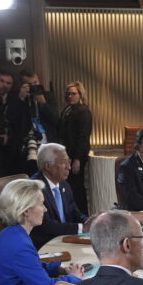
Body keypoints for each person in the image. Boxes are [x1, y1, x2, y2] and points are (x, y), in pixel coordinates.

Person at [29, 143, 89, 250]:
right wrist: (82, 227)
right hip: (45, 246)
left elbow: (75, 213)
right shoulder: (34, 188)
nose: (69, 167)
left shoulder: (64, 185)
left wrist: (90, 222)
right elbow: (45, 225)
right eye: (63, 162)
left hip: (66, 240)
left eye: (68, 162)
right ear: (48, 166)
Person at [59, 80, 92, 214]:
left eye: (73, 94)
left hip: (76, 155)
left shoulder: (83, 111)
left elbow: (83, 137)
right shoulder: (68, 109)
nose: (70, 96)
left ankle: (82, 216)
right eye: (68, 94)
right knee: (69, 187)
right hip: (67, 155)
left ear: (80, 94)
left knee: (77, 189)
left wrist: (77, 159)